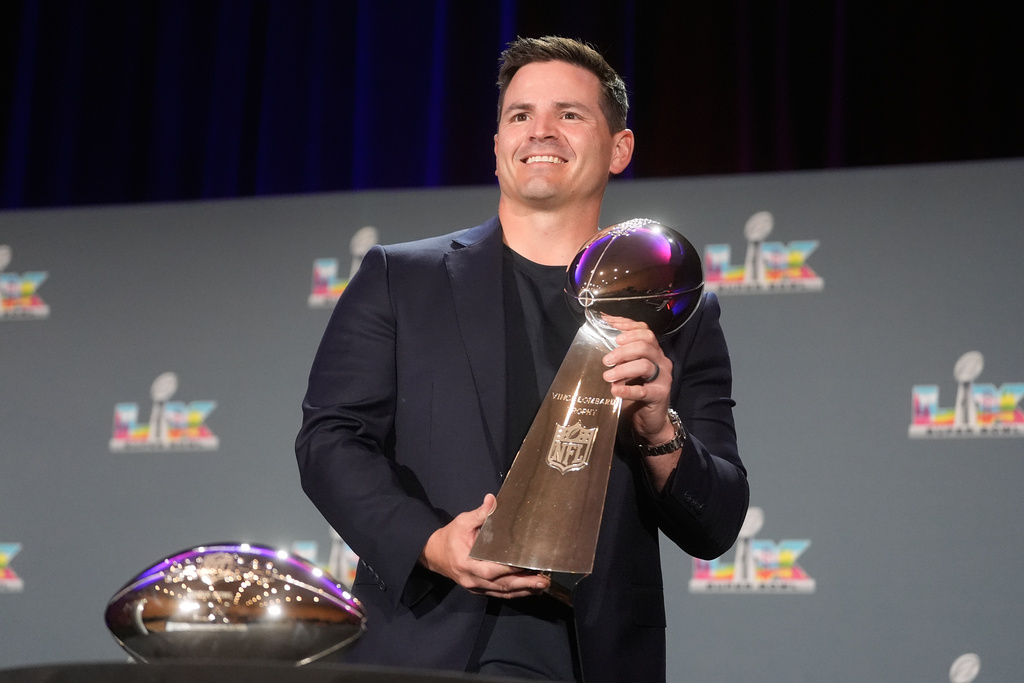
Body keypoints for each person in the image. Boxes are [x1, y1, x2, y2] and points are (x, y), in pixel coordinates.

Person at [296, 36, 748, 682]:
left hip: (596, 660)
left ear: (620, 148)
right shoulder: (401, 279)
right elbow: (328, 441)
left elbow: (720, 517)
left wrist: (659, 433)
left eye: (569, 114)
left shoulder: (676, 311)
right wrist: (432, 543)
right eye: (519, 115)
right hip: (427, 651)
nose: (540, 130)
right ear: (498, 143)